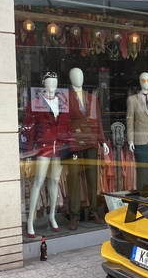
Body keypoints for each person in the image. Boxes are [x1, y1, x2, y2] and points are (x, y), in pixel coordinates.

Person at [21, 72, 76, 238]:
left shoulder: (63, 102)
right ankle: (30, 221)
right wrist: (27, 147)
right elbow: (29, 125)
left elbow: (68, 127)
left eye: (55, 81)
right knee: (38, 181)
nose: (52, 84)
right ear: (44, 83)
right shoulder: (35, 103)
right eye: (49, 81)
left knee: (55, 182)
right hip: (44, 147)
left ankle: (52, 216)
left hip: (59, 147)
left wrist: (72, 148)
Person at [67, 68, 110, 230]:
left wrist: (103, 141)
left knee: (92, 178)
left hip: (91, 141)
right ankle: (74, 215)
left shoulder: (92, 98)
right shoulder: (66, 97)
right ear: (70, 78)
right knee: (74, 180)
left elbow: (97, 120)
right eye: (75, 75)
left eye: (81, 75)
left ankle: (93, 211)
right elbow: (65, 121)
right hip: (74, 143)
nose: (78, 78)